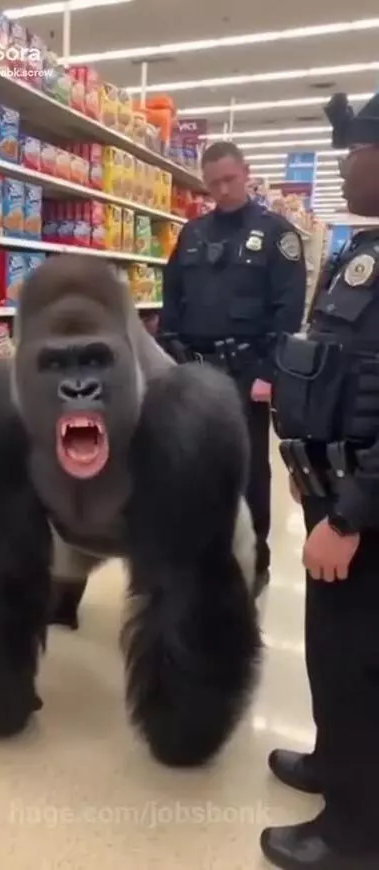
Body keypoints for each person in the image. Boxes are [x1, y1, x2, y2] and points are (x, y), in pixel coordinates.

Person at [262, 91, 379, 870]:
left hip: (363, 510)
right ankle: (336, 763)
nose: (343, 165)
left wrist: (353, 514)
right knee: (332, 653)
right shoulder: (361, 250)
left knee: (363, 666)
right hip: (330, 489)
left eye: (357, 150)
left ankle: (356, 833)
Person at [159, 141, 307, 596]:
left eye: (230, 179)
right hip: (194, 370)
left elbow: (288, 309)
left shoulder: (277, 234)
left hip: (246, 372)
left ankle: (254, 560)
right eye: (213, 183)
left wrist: (269, 371)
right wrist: (171, 349)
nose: (222, 190)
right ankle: (203, 554)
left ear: (246, 173)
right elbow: (172, 295)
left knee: (247, 471)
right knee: (194, 465)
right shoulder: (192, 234)